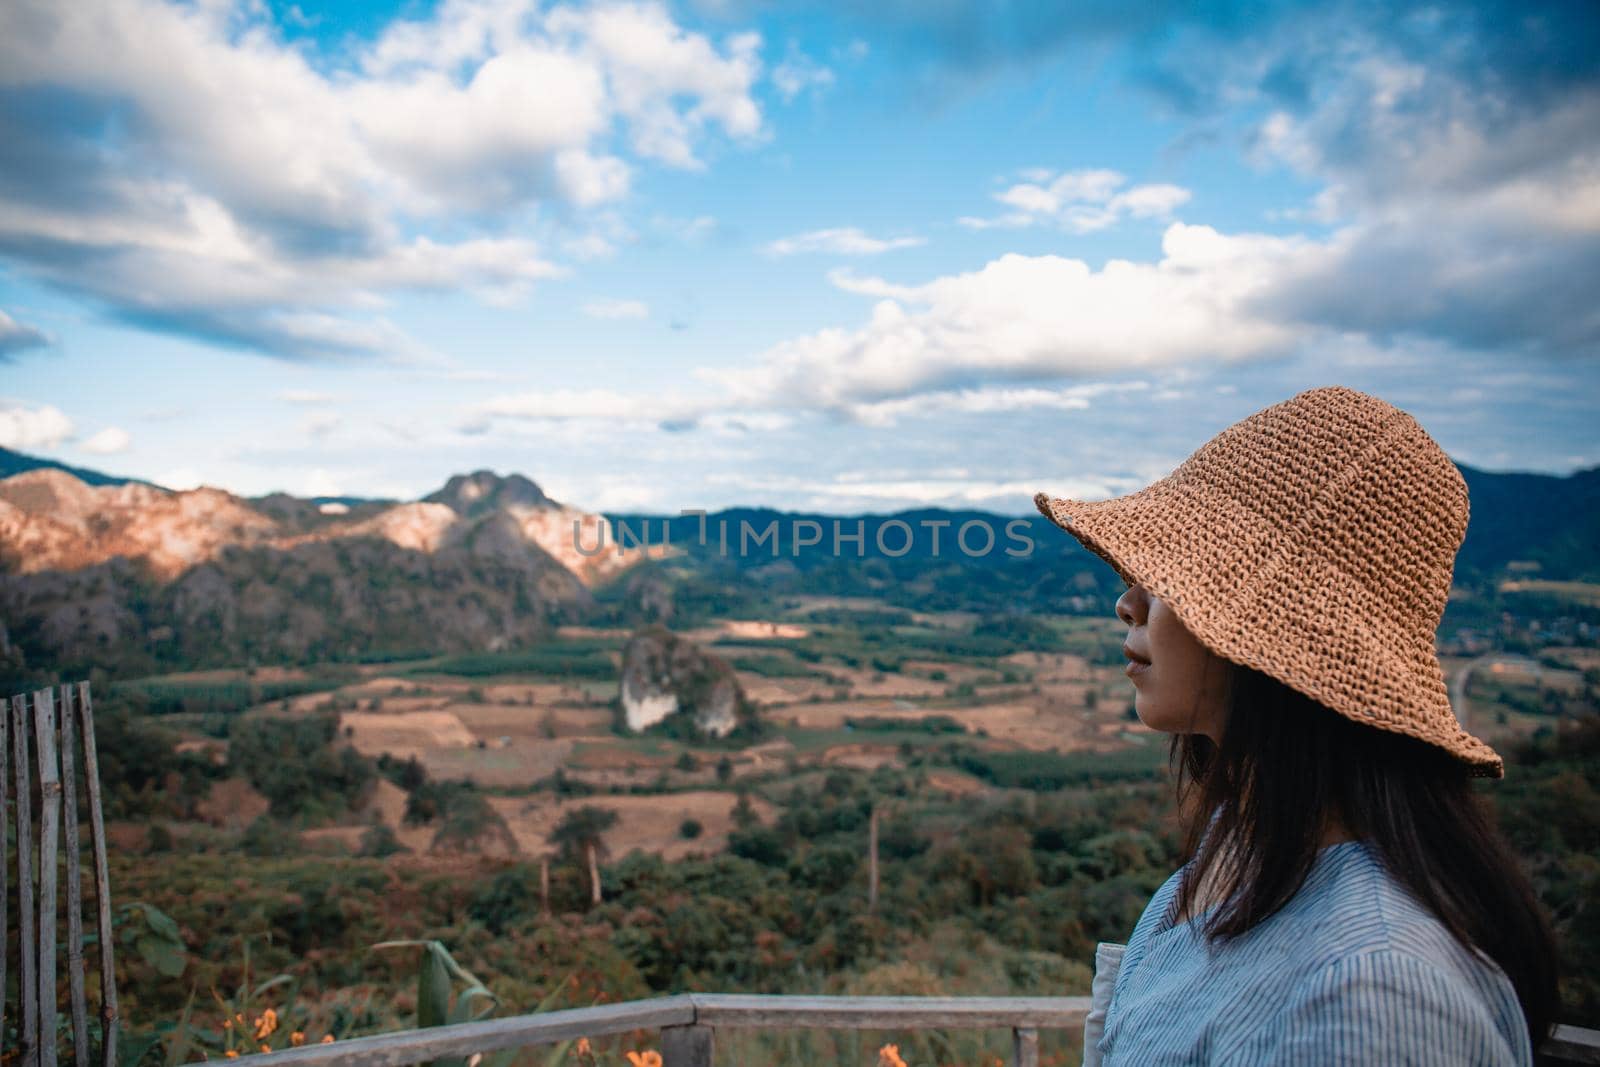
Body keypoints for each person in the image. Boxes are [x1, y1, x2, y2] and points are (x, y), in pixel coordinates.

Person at [1034, 385, 1560, 1065]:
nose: (1127, 601)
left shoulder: (1372, 988)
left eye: (1169, 574)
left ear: (1274, 632)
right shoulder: (1233, 861)